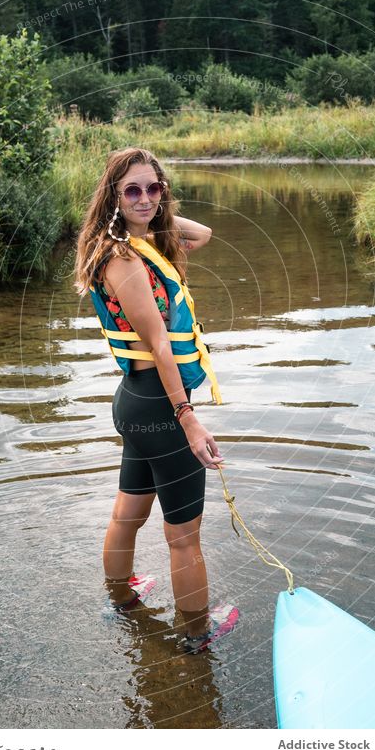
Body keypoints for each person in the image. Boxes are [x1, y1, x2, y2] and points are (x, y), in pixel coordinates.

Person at [74, 147, 239, 654]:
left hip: (138, 404)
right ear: (112, 196)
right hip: (161, 408)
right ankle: (196, 634)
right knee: (184, 535)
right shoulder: (124, 259)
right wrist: (188, 419)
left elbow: (202, 235)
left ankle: (122, 601)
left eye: (153, 188)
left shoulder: (139, 243)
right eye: (131, 190)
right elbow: (161, 344)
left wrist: (150, 211)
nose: (144, 198)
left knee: (129, 514)